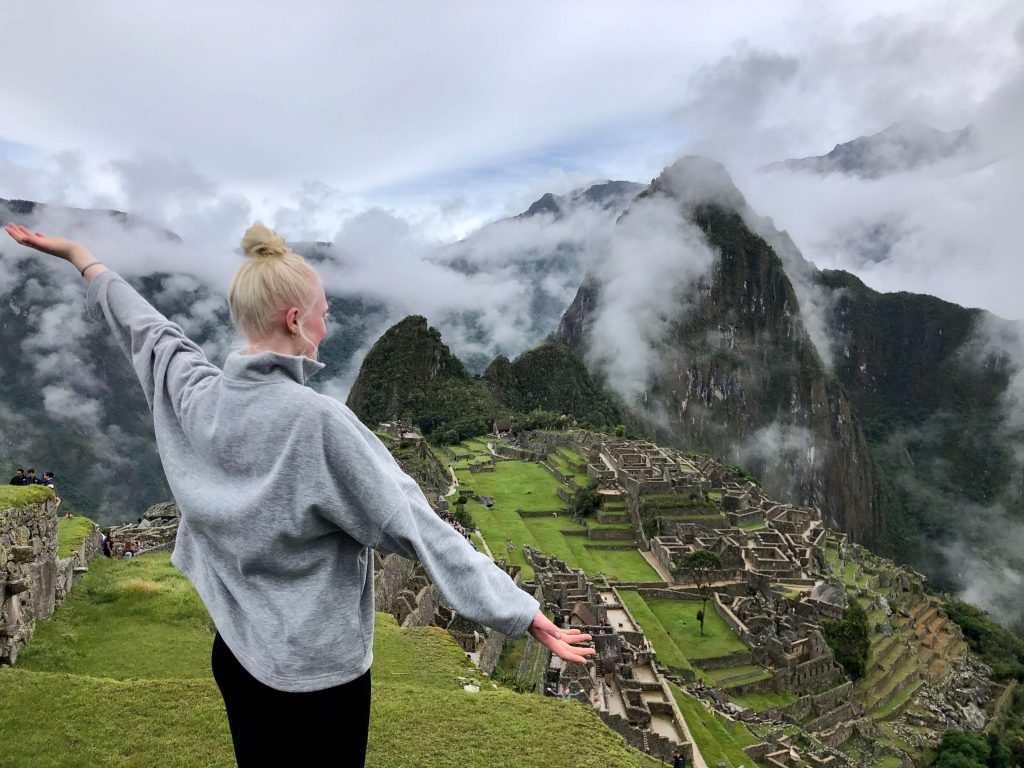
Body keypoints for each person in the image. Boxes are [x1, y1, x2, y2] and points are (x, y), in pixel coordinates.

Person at [5, 221, 595, 767]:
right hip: (320, 681)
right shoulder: (321, 425)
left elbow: (149, 333)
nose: (326, 326)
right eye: (323, 314)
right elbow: (417, 525)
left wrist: (85, 261)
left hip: (236, 655)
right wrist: (523, 612)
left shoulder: (197, 395)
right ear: (295, 320)